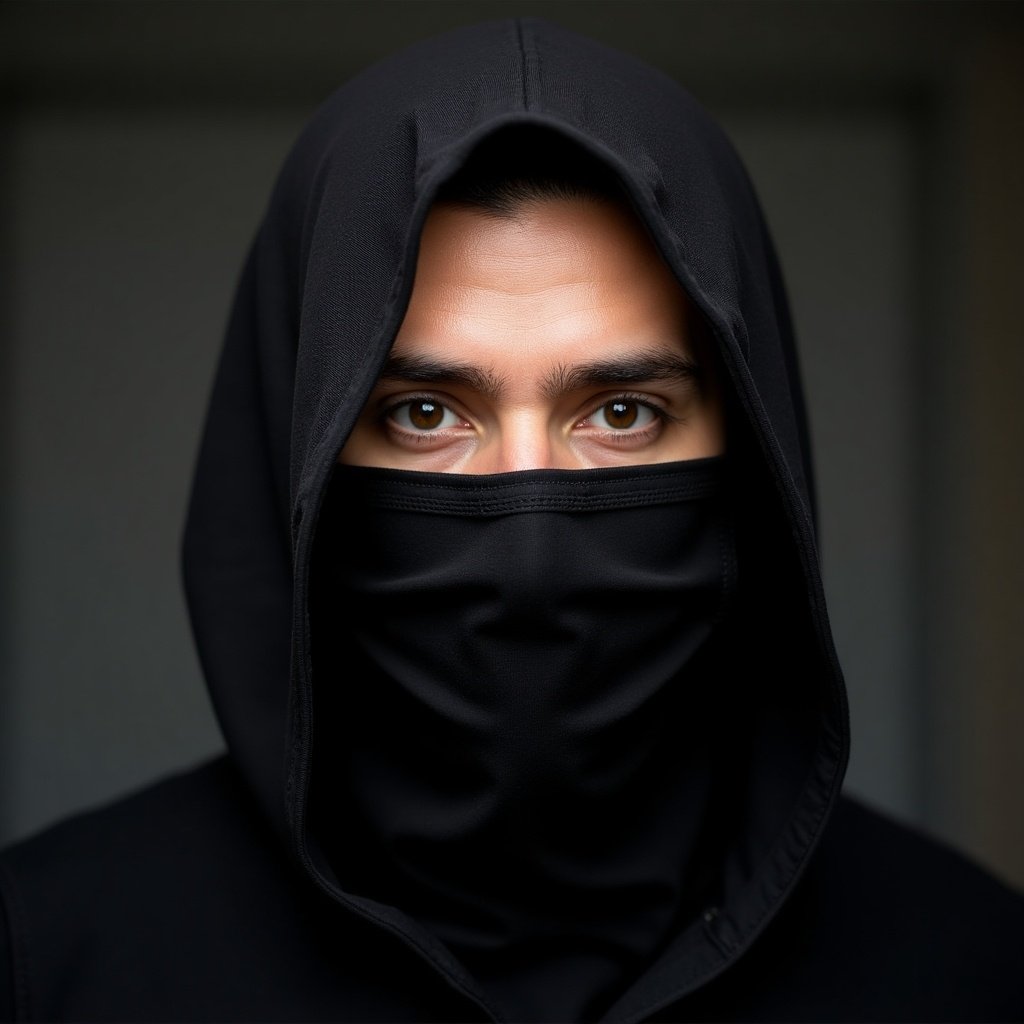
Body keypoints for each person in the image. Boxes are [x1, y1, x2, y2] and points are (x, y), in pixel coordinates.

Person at [1, 17, 1022, 1023]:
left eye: (622, 413)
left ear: (752, 450)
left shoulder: (972, 968)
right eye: (425, 413)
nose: (531, 545)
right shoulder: (53, 957)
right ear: (294, 450)